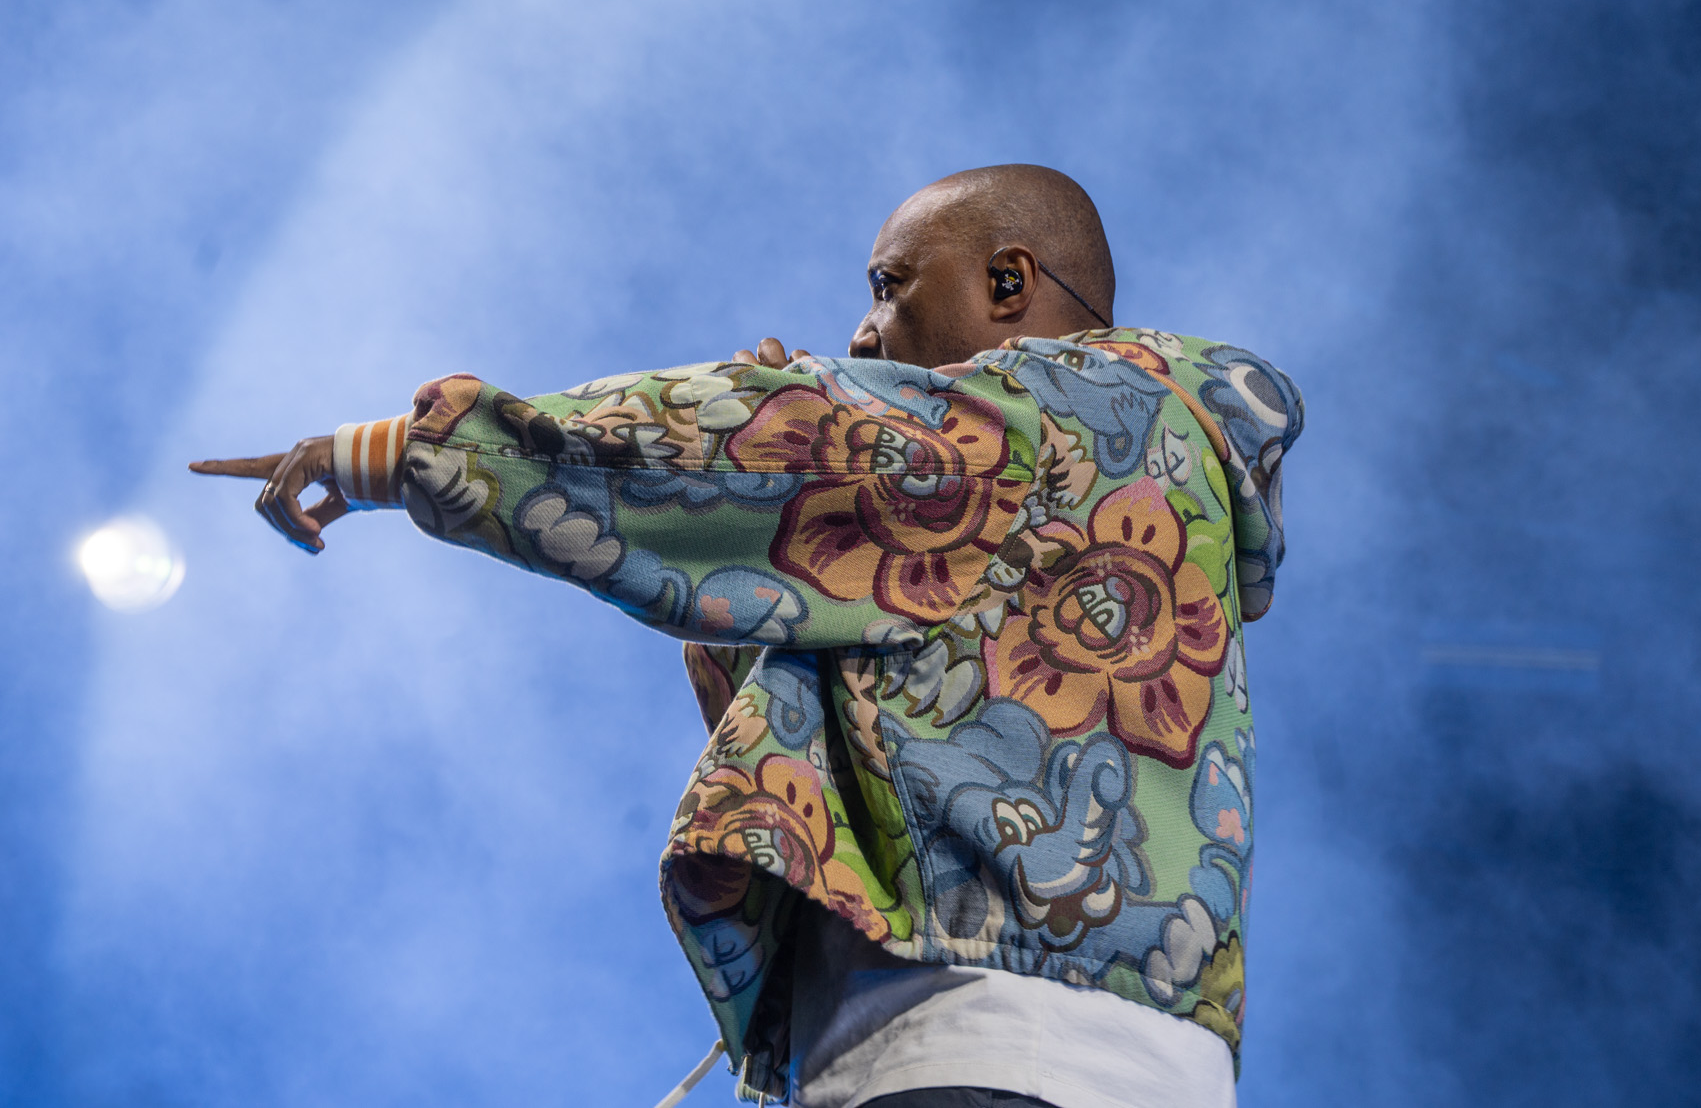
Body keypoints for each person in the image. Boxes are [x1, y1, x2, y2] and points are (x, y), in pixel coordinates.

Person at [193, 165, 1305, 1108]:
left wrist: (396, 451)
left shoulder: (1040, 412)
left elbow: (758, 440)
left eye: (890, 286)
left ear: (1007, 281)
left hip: (979, 1054)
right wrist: (770, 617)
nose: (863, 330)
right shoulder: (1136, 478)